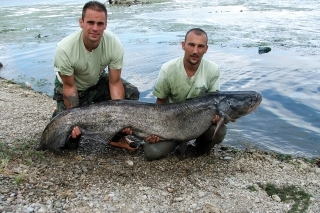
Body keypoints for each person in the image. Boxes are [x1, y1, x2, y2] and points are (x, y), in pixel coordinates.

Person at [52, 1, 139, 150]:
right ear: (81, 22)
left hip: (96, 83)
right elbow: (69, 86)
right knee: (67, 144)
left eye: (100, 24)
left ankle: (115, 137)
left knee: (131, 94)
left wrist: (121, 118)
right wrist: (73, 119)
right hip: (72, 88)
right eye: (90, 22)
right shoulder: (65, 48)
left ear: (105, 25)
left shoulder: (114, 43)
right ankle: (59, 113)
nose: (95, 28)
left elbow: (114, 82)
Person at [145, 28, 228, 161]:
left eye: (200, 46)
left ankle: (200, 147)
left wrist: (218, 118)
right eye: (191, 45)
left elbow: (214, 103)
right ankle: (176, 142)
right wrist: (156, 131)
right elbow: (160, 105)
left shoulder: (213, 70)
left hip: (199, 125)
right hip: (172, 125)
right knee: (151, 152)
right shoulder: (168, 69)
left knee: (219, 131)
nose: (195, 51)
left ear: (206, 49)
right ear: (183, 45)